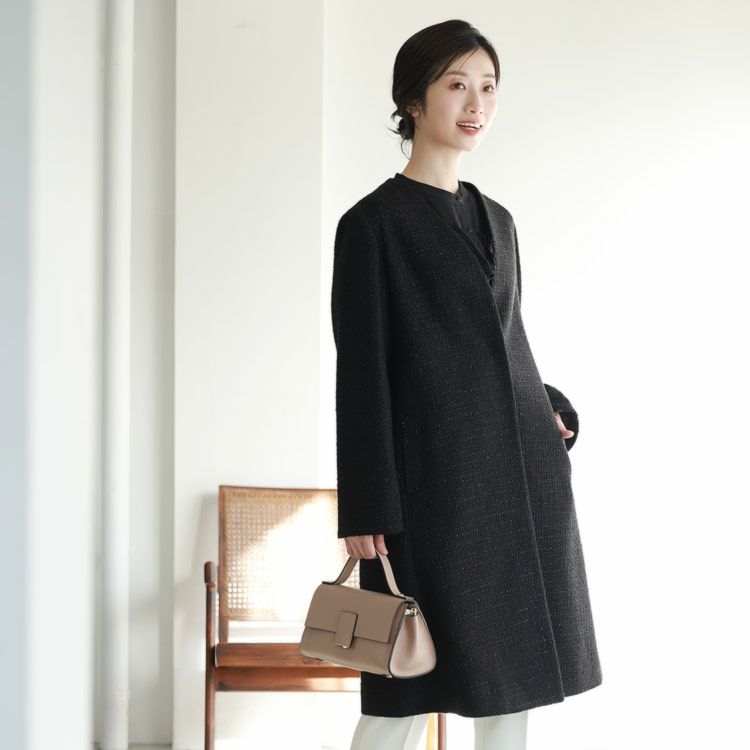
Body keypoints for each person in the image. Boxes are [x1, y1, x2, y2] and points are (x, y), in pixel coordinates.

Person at [330, 19, 603, 750]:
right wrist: (366, 504)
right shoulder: (372, 226)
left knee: (511, 683)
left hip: (518, 486)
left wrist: (548, 407)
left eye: (488, 86)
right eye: (457, 85)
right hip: (429, 492)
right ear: (413, 101)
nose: (476, 103)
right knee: (402, 682)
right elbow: (361, 372)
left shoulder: (499, 221)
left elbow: (505, 345)